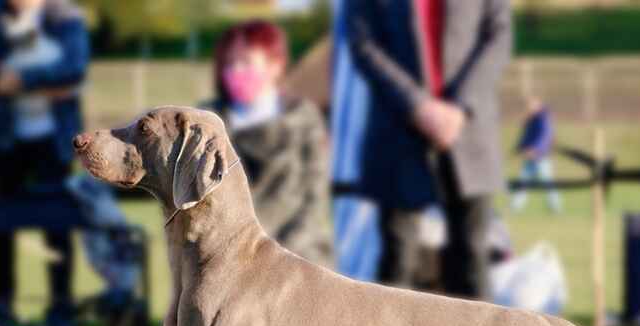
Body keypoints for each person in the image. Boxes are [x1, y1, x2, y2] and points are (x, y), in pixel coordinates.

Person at [347, 0, 512, 300]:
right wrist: (418, 107)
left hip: (469, 131)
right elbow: (363, 43)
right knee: (399, 262)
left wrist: (459, 108)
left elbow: (499, 36)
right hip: (398, 130)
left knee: (473, 257)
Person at [0, 0, 89, 326]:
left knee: (57, 225)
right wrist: (46, 83)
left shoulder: (67, 16)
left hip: (54, 139)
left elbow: (74, 69)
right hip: (5, 139)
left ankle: (61, 307)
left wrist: (21, 79)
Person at [205, 21, 332, 267]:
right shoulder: (210, 121)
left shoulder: (303, 119)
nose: (236, 70)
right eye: (230, 63)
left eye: (246, 62)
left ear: (275, 66)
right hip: (225, 259)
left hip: (297, 258)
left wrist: (277, 255)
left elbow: (314, 201)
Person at [511, 97, 561, 213]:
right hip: (530, 156)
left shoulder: (544, 119)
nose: (528, 109)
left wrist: (535, 150)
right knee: (523, 181)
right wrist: (519, 148)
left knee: (547, 182)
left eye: (531, 106)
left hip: (541, 157)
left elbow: (545, 137)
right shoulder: (533, 119)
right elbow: (527, 136)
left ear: (538, 105)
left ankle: (555, 207)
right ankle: (516, 207)